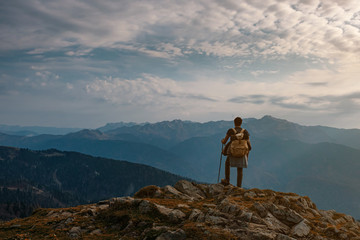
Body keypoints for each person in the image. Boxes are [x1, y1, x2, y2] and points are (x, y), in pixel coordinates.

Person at [221, 117, 252, 187]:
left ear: (234, 122)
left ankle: (227, 180)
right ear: (241, 123)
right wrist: (247, 156)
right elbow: (249, 144)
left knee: (227, 163)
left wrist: (222, 141)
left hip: (232, 151)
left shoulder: (231, 131)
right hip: (242, 152)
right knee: (240, 168)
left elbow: (224, 141)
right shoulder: (245, 132)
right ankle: (239, 186)